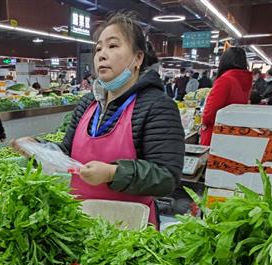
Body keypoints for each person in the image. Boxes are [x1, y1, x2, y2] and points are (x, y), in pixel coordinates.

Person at [15, 12, 184, 227]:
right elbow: (68, 152)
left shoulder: (157, 105)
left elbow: (166, 176)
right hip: (80, 220)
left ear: (138, 58)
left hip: (128, 229)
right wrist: (38, 149)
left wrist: (113, 174)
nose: (102, 55)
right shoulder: (88, 103)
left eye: (113, 46)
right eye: (98, 49)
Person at [199, 47, 252, 146]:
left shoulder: (225, 80)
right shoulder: (246, 81)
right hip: (232, 132)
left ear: (224, 61)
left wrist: (204, 122)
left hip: (215, 134)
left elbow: (210, 112)